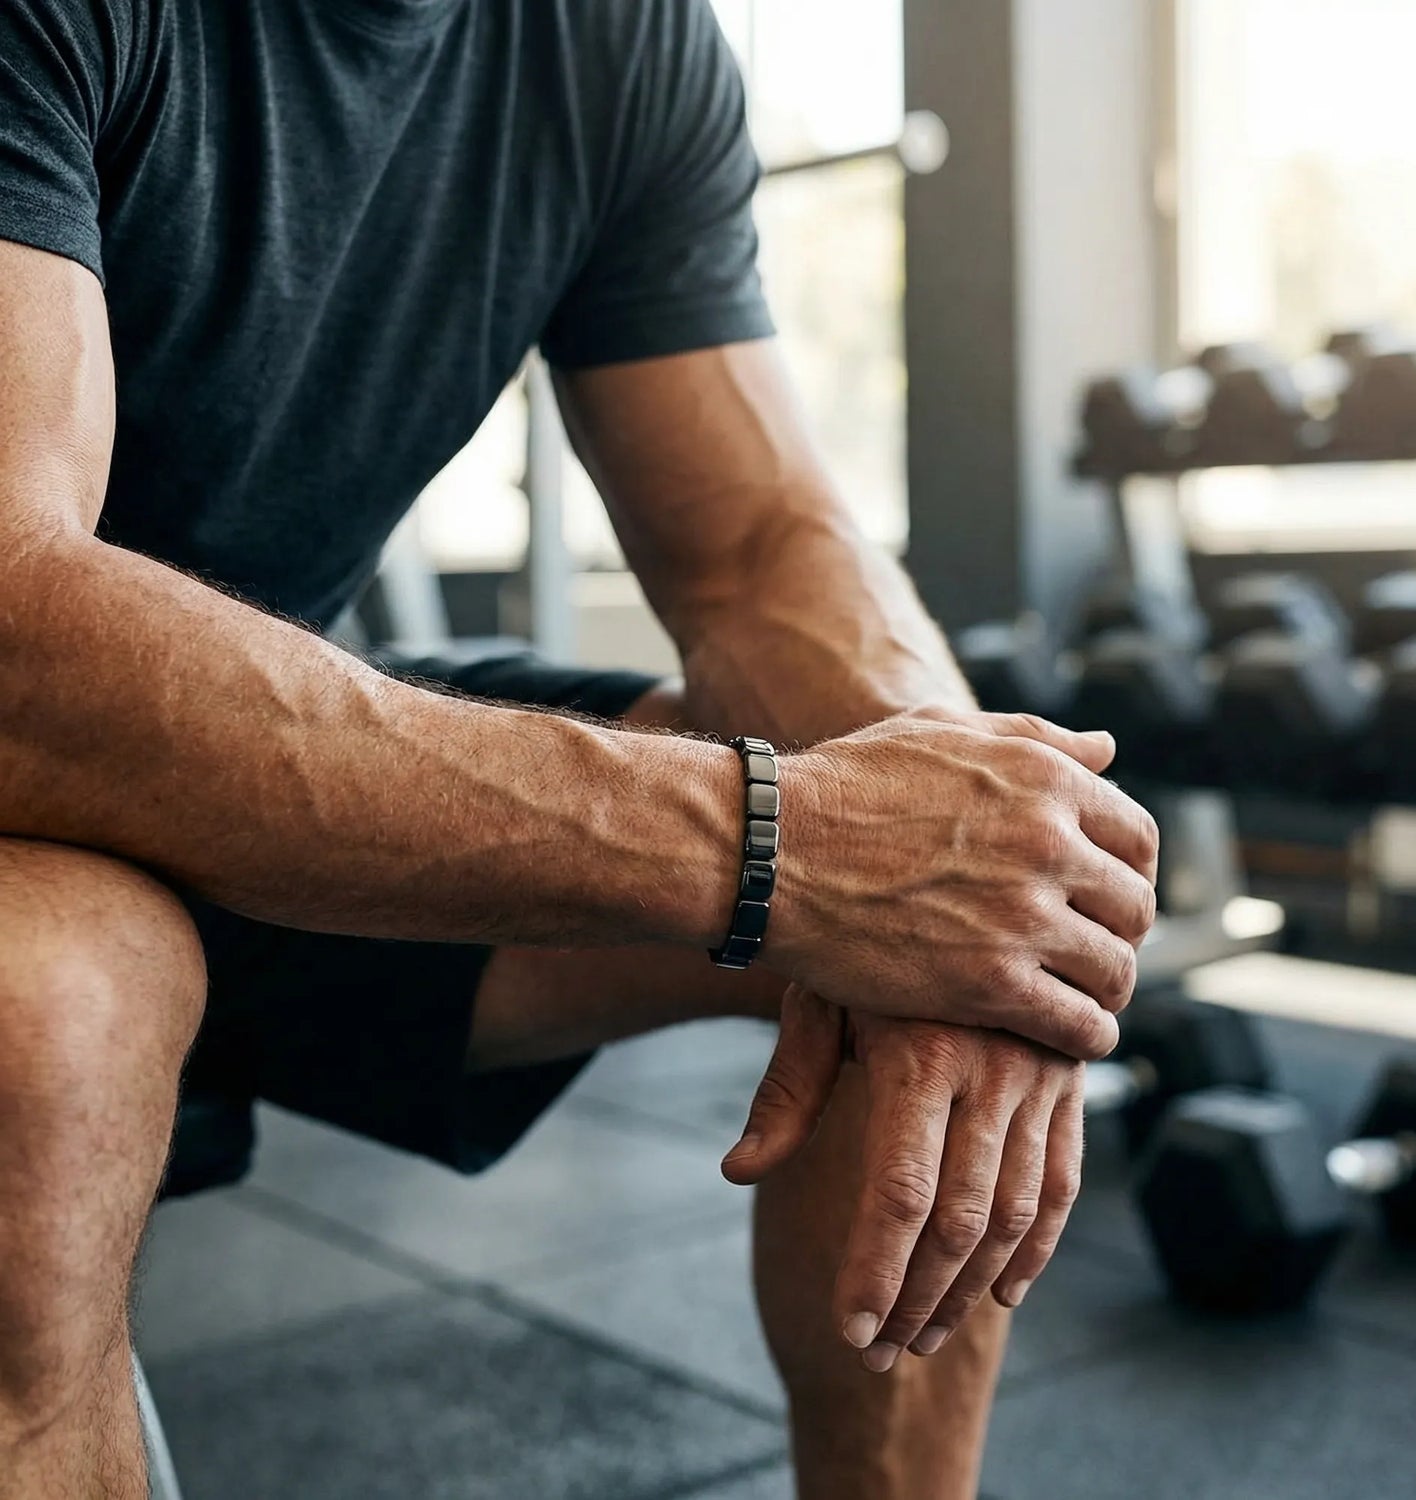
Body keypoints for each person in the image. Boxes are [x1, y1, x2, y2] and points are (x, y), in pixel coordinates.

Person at [0, 0, 1158, 1494]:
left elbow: (759, 547)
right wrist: (783, 846)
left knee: (971, 933)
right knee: (45, 1020)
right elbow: (18, 629)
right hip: (37, 762)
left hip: (269, 768)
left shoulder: (615, 38)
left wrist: (972, 867)